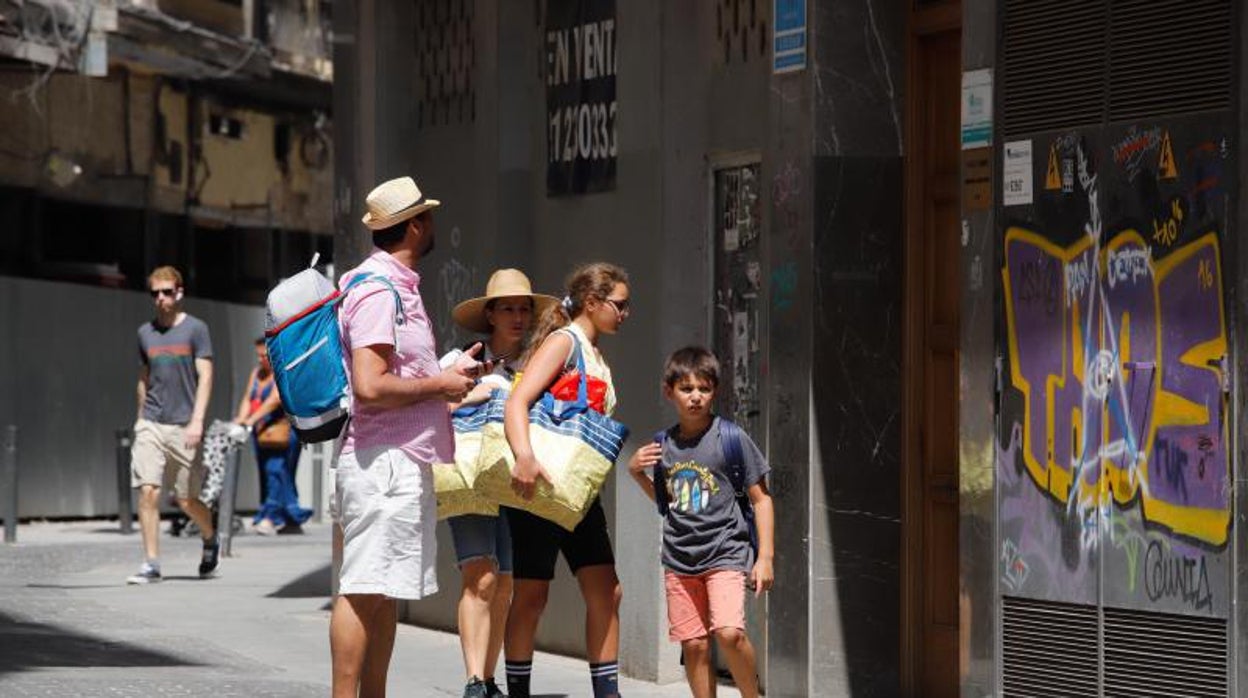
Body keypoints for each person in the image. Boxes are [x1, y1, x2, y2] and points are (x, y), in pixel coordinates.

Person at [330, 176, 485, 698]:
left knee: (385, 593)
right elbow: (370, 386)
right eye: (428, 216)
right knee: (363, 589)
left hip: (397, 458)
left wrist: (445, 377)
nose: (432, 224)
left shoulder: (389, 284)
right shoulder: (378, 290)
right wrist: (440, 383)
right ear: (416, 225)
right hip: (383, 462)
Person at [502, 262, 630, 698]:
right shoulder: (564, 342)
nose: (625, 313)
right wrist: (524, 457)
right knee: (532, 595)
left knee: (607, 591)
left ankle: (607, 693)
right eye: (620, 304)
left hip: (578, 495)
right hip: (538, 487)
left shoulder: (596, 354)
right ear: (593, 303)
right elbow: (517, 401)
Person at [626, 346, 774, 698]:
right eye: (686, 389)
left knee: (728, 633)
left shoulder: (731, 438)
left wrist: (765, 556)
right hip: (679, 559)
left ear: (714, 392)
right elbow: (670, 503)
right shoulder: (664, 445)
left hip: (725, 550)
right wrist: (637, 474)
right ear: (669, 391)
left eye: (704, 389)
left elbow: (762, 499)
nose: (695, 397)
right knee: (693, 646)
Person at [447, 269, 557, 698]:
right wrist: (478, 391)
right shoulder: (463, 360)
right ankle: (475, 680)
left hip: (517, 484)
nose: (517, 316)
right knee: (482, 576)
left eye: (523, 308)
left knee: (507, 582)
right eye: (507, 308)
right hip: (470, 479)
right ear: (489, 315)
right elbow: (436, 406)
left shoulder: (538, 363)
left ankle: (490, 679)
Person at [127, 266, 219, 584]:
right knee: (148, 491)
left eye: (167, 292)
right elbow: (144, 378)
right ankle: (151, 563)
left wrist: (197, 421)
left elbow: (206, 376)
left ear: (179, 292)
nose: (161, 299)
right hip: (151, 422)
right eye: (155, 293)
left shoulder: (196, 329)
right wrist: (141, 418)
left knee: (186, 500)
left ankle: (210, 536)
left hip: (184, 425)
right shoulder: (145, 333)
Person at [233, 337, 312, 535]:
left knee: (277, 472)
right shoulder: (256, 373)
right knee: (269, 473)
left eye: (264, 356)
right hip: (261, 432)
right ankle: (291, 519)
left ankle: (270, 516)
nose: (261, 360)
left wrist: (249, 420)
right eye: (258, 355)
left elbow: (274, 400)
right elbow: (247, 398)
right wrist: (241, 419)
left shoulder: (281, 371)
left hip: (282, 432)